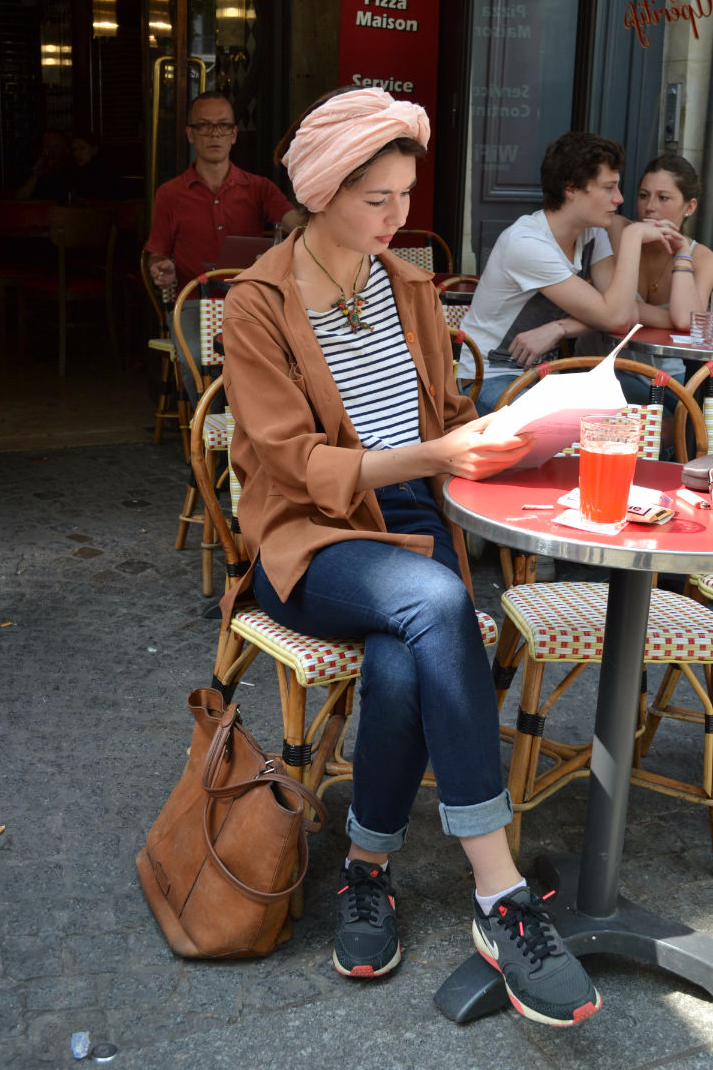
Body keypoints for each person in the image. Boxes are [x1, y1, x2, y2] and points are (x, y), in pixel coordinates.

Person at [218, 86, 603, 1028]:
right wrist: (433, 457)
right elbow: (296, 465)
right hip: (308, 540)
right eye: (374, 199)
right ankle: (500, 893)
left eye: (403, 195)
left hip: (411, 536)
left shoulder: (405, 286)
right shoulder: (258, 305)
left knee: (405, 652)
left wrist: (528, 436)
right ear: (317, 192)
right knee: (433, 602)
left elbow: (447, 423)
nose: (397, 220)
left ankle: (366, 869)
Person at [459, 131, 675, 416]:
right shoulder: (528, 244)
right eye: (609, 188)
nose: (619, 199)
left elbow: (623, 312)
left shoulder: (592, 233)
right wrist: (633, 237)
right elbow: (617, 317)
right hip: (490, 379)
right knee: (591, 430)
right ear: (571, 188)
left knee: (668, 414)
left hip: (545, 376)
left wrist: (561, 328)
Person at [144, 91, 302, 404]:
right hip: (193, 302)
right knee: (197, 362)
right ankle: (213, 439)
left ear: (234, 135)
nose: (214, 134)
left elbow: (294, 222)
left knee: (282, 359)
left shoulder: (259, 188)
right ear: (190, 134)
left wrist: (323, 198)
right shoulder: (170, 194)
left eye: (223, 126)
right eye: (204, 126)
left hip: (252, 301)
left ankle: (250, 436)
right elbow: (157, 252)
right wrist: (161, 267)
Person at [607, 154, 713, 411]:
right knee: (662, 419)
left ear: (690, 207)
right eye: (644, 195)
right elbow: (608, 311)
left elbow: (687, 321)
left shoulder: (702, 256)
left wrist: (682, 254)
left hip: (671, 378)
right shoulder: (619, 231)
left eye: (663, 198)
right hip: (613, 368)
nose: (650, 207)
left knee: (687, 417)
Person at [68, 132, 130, 202]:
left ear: (94, 149)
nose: (77, 153)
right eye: (74, 149)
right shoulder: (73, 171)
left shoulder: (105, 172)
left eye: (82, 148)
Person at [15, 129, 70, 203]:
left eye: (55, 147)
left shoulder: (71, 167)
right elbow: (20, 197)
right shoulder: (37, 165)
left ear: (66, 148)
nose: (50, 151)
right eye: (47, 147)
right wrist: (35, 175)